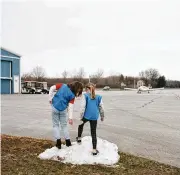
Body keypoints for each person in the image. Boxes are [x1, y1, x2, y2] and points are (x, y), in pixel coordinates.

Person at [49, 81, 83, 149]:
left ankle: (58, 143)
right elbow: (71, 107)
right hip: (63, 110)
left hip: (54, 107)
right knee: (64, 126)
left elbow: (52, 88)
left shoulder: (62, 85)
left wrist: (50, 98)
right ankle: (68, 142)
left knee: (55, 125)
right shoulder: (72, 96)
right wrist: (70, 118)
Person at [76, 83, 105, 155]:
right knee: (93, 132)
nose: (85, 91)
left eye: (86, 89)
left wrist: (80, 116)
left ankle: (79, 138)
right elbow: (101, 107)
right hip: (94, 116)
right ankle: (94, 150)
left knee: (80, 125)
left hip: (86, 116)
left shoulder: (85, 96)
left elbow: (83, 107)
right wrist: (102, 116)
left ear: (88, 89)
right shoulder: (99, 97)